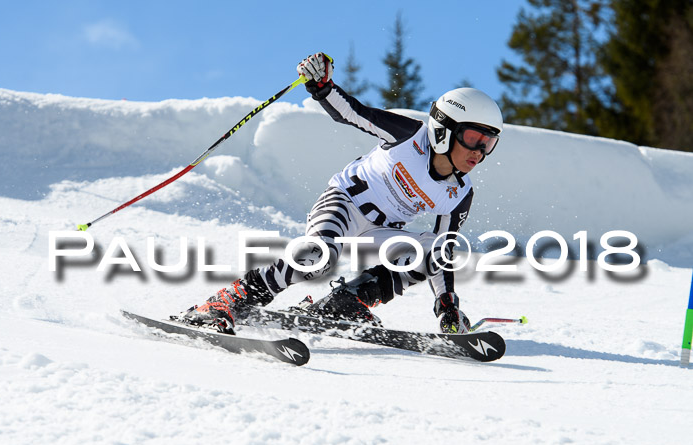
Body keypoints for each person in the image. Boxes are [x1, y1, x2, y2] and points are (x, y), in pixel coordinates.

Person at [180, 52, 503, 336]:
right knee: (318, 257)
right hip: (345, 203)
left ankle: (345, 302)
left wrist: (447, 304)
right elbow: (353, 113)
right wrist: (322, 88)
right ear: (443, 129)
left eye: (488, 143)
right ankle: (231, 300)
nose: (479, 151)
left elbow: (441, 256)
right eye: (474, 137)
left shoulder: (459, 193)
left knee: (435, 249)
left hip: (381, 231)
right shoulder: (409, 136)